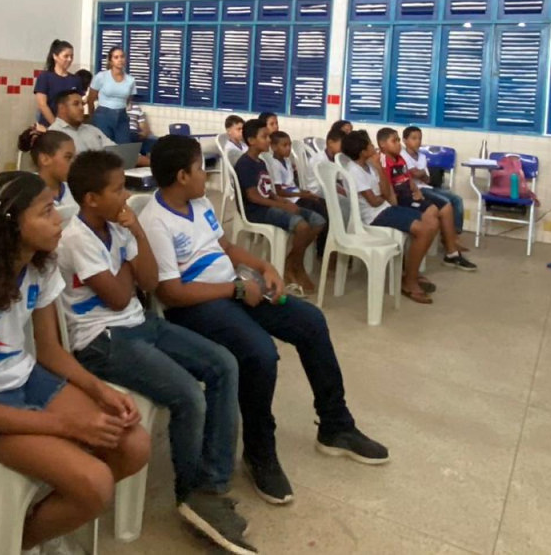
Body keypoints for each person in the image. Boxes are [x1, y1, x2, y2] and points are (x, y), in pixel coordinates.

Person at [141, 135, 388, 506]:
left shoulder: (199, 203)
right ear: (181, 176)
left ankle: (335, 425)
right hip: (197, 306)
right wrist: (236, 290)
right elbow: (171, 293)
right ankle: (259, 452)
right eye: (199, 169)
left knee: (311, 321)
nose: (205, 175)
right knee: (260, 353)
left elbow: (225, 247)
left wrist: (263, 266)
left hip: (232, 288)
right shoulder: (155, 221)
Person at [0, 172, 149, 550]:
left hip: (22, 375)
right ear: (12, 223)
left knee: (134, 444)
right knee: (95, 483)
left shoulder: (39, 263)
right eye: (45, 212)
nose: (59, 219)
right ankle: (11, 543)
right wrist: (68, 426)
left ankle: (40, 520)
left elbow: (49, 350)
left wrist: (100, 391)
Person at [59, 152, 252, 554]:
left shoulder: (121, 226)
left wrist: (137, 235)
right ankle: (190, 493)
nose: (126, 197)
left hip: (140, 322)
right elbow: (116, 297)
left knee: (224, 364)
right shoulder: (77, 237)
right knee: (188, 395)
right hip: (102, 340)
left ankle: (212, 485)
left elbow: (147, 282)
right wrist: (130, 260)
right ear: (91, 199)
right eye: (118, 190)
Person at [341, 130, 440, 304]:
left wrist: (379, 169)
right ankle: (409, 282)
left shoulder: (370, 166)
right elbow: (374, 202)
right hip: (373, 216)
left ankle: (410, 272)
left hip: (384, 208)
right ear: (363, 152)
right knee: (424, 230)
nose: (373, 147)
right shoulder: (354, 170)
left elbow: (386, 192)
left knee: (431, 222)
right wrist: (383, 196)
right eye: (370, 145)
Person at [235, 120, 320, 296]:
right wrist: (280, 205)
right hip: (256, 210)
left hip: (269, 204)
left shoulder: (260, 162)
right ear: (251, 140)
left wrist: (283, 202)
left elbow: (269, 191)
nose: (268, 140)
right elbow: (253, 197)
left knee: (318, 221)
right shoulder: (245, 164)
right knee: (302, 226)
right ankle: (296, 266)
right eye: (264, 137)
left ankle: (291, 262)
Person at [380, 128, 474, 269]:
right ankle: (445, 249)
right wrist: (417, 180)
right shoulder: (387, 160)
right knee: (440, 209)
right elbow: (394, 184)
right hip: (403, 197)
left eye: (398, 140)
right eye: (395, 141)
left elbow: (417, 178)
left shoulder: (403, 158)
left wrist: (417, 187)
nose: (399, 144)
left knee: (452, 202)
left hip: (417, 190)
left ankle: (452, 247)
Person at [86, 46, 137, 144]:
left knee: (123, 145)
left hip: (122, 116)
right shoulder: (101, 76)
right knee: (105, 145)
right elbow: (90, 100)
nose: (120, 60)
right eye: (116, 57)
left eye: (122, 57)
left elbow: (128, 100)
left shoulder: (130, 80)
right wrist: (92, 118)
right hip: (103, 115)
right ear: (110, 61)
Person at [48, 90, 116, 156]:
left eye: (82, 104)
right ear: (62, 108)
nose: (81, 108)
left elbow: (115, 150)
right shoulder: (53, 134)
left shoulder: (93, 130)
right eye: (76, 104)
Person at [32, 40, 81, 128]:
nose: (69, 60)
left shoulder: (75, 80)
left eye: (71, 56)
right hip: (48, 126)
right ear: (55, 56)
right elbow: (42, 104)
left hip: (70, 127)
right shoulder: (45, 77)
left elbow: (77, 103)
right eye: (66, 56)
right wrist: (55, 125)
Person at [30, 130, 76, 205]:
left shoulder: (75, 190)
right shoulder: (26, 192)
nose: (74, 163)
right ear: (45, 159)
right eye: (68, 157)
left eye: (74, 158)